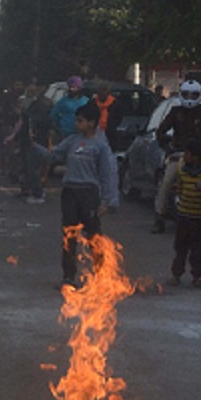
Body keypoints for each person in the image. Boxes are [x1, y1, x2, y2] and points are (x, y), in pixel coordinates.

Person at [48, 101, 118, 288]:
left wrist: (108, 200)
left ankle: (100, 274)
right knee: (69, 235)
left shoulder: (99, 146)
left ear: (92, 122)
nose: (76, 124)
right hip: (70, 193)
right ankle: (68, 276)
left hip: (89, 194)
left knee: (93, 235)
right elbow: (53, 155)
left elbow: (107, 174)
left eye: (80, 121)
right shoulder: (71, 141)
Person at [151, 79, 201, 234]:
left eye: (193, 95)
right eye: (187, 94)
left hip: (200, 156)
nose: (190, 98)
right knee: (166, 183)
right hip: (179, 154)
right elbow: (160, 132)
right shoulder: (175, 112)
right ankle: (159, 218)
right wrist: (168, 148)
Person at [168, 139, 201, 287]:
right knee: (180, 248)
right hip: (183, 216)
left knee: (197, 250)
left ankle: (196, 276)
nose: (184, 156)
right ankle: (176, 274)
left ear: (196, 156)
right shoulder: (183, 171)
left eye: (187, 153)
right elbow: (179, 189)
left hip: (199, 218)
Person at [49, 75, 88, 145]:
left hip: (81, 133)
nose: (72, 89)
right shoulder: (63, 101)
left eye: (74, 87)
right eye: (70, 87)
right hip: (66, 133)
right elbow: (53, 115)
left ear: (79, 88)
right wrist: (61, 123)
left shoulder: (85, 101)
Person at [91, 80, 125, 146]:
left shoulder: (116, 104)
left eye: (104, 90)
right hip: (94, 132)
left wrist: (112, 125)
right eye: (100, 90)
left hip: (110, 133)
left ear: (108, 92)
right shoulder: (92, 103)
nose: (102, 92)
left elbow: (119, 117)